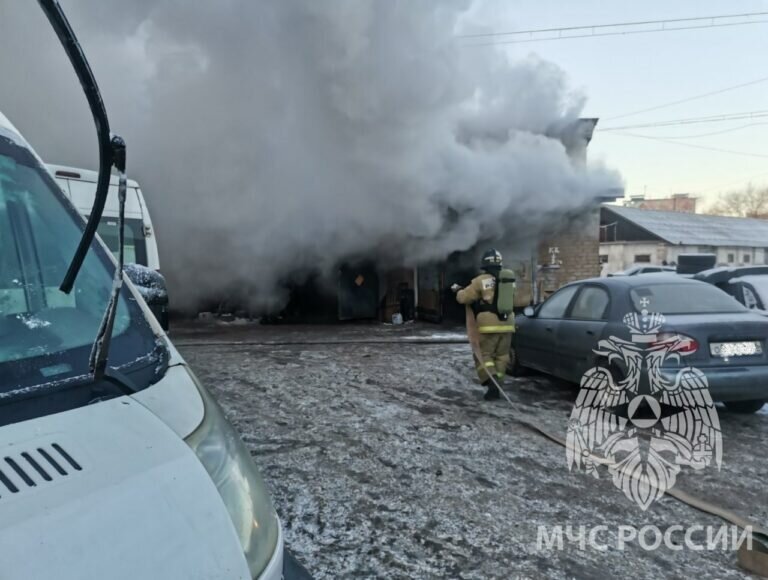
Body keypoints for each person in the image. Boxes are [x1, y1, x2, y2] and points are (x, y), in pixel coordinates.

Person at [452, 249, 515, 400]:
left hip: (488, 325)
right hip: (508, 324)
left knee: (484, 355)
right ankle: (498, 383)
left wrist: (458, 290)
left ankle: (492, 384)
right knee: (502, 356)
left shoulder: (481, 280)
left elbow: (464, 298)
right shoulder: (509, 280)